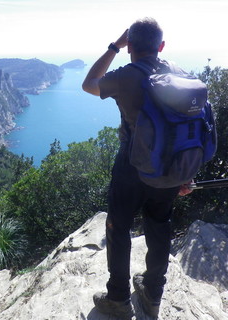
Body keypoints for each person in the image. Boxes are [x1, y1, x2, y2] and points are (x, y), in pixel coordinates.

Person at [82, 17, 192, 319]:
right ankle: (152, 294)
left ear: (130, 45)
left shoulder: (126, 75)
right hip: (170, 169)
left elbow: (88, 84)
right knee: (159, 226)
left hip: (131, 168)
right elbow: (188, 128)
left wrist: (113, 47)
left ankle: (118, 298)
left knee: (118, 228)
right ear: (161, 46)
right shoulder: (179, 73)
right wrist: (185, 174)